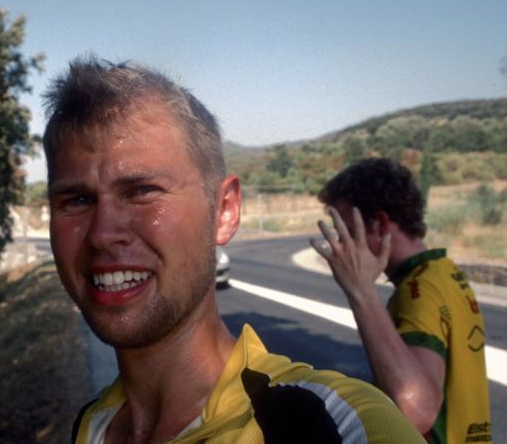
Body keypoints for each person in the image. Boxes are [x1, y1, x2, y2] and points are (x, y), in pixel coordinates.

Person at [43, 56, 424, 443]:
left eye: (142, 192)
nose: (102, 234)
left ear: (224, 211)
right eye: (76, 200)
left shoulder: (340, 426)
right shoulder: (92, 425)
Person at [311, 158, 492, 444]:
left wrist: (360, 291)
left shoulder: (419, 291)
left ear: (379, 224)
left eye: (346, 230)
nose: (342, 245)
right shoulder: (446, 272)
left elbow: (416, 410)